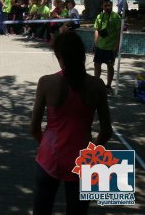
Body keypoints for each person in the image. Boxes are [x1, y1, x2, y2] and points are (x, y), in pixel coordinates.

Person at [30, 31, 112, 215]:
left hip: (49, 156)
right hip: (83, 159)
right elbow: (106, 131)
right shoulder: (97, 85)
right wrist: (91, 154)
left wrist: (46, 145)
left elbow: (34, 128)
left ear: (59, 56)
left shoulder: (46, 82)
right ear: (82, 55)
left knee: (41, 210)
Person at [93, 0, 121, 92]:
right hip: (100, 46)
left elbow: (118, 33)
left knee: (110, 66)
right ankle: (96, 84)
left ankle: (108, 85)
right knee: (97, 65)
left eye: (109, 5)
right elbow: (97, 30)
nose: (108, 7)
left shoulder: (116, 17)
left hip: (110, 47)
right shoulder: (99, 17)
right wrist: (95, 43)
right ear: (102, 6)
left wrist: (116, 46)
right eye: (105, 6)